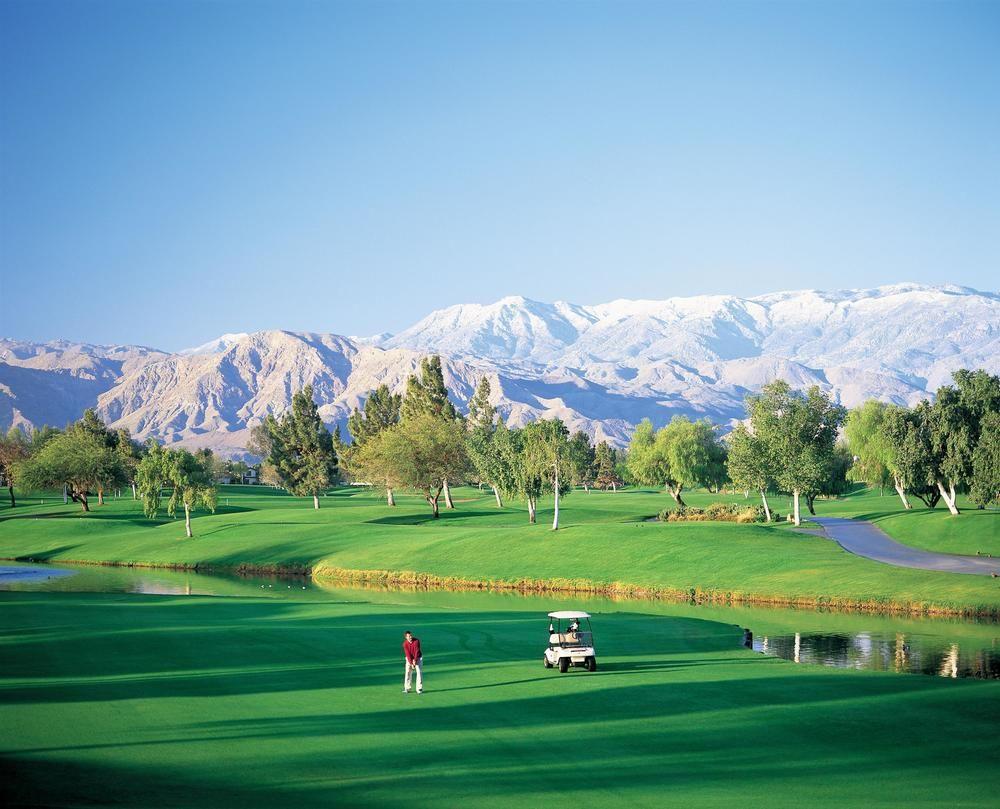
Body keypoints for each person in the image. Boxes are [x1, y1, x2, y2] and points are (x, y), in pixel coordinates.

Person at [402, 630, 423, 694]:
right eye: (409, 636)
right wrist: (411, 663)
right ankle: (407, 688)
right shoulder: (405, 644)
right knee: (408, 672)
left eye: (411, 635)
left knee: (419, 672)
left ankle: (419, 688)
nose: (410, 637)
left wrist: (415, 661)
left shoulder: (416, 641)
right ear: (406, 637)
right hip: (409, 659)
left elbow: (417, 651)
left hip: (418, 658)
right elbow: (408, 654)